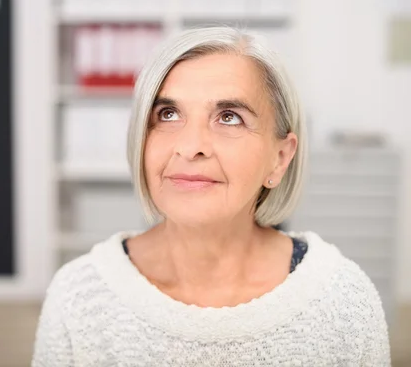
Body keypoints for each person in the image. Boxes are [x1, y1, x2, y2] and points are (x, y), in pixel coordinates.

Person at [32, 27, 390, 366]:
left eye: (229, 117)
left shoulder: (343, 300)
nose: (190, 147)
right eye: (168, 114)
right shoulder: (79, 296)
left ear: (279, 158)